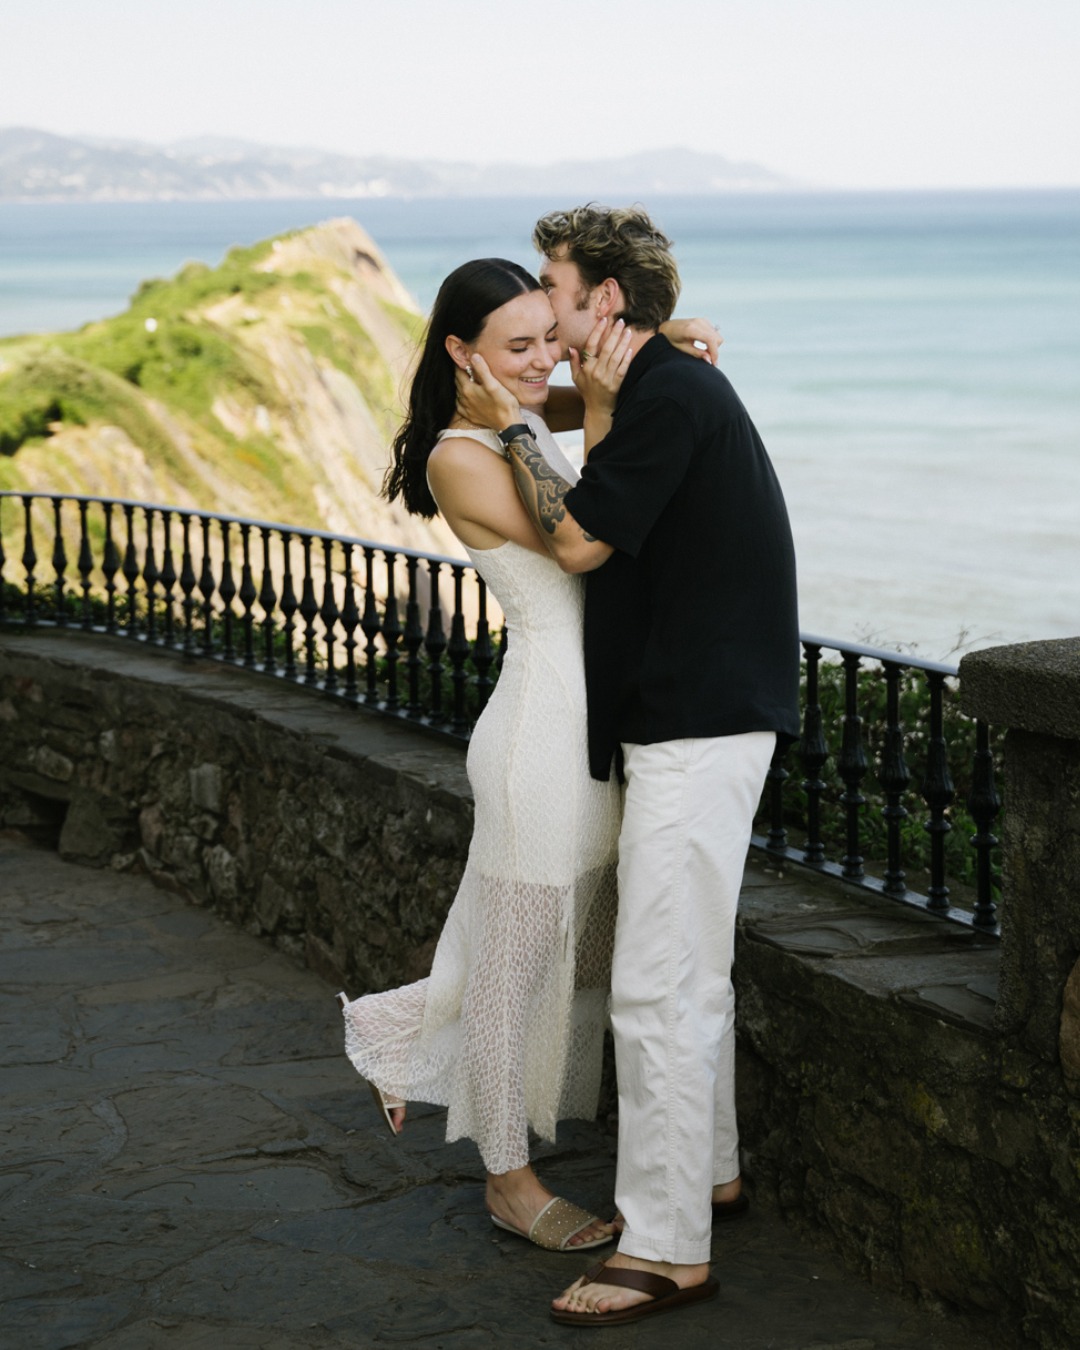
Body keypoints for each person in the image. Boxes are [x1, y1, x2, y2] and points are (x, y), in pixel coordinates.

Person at [456, 205, 800, 1325]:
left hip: (699, 723)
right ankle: (709, 1175)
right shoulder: (658, 389)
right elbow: (585, 435)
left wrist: (546, 418)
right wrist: (584, 398)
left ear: (604, 298)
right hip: (693, 714)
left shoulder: (656, 400)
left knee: (653, 986)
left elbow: (579, 538)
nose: (546, 311)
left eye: (555, 286)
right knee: (682, 970)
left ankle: (664, 1250)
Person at [337, 256, 720, 1254]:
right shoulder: (464, 456)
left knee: (584, 949)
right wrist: (592, 400)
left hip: (597, 732)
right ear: (462, 355)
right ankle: (507, 1179)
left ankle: (401, 1034)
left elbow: (581, 419)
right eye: (520, 347)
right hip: (539, 738)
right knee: (515, 966)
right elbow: (583, 532)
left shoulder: (521, 424)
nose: (546, 360)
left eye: (554, 336)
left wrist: (662, 345)